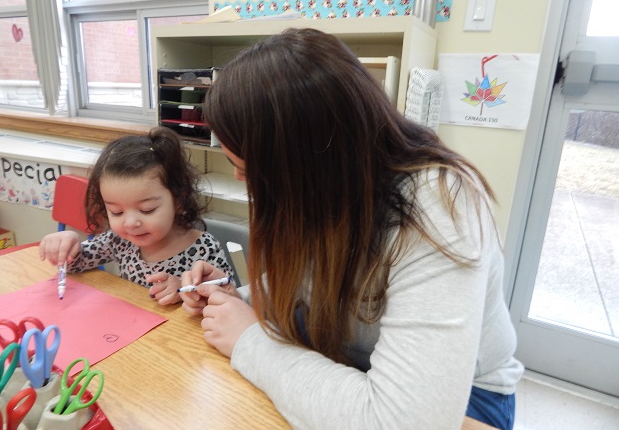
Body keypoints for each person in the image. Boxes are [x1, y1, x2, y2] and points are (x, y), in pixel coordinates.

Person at [180, 28, 524, 429]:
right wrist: (239, 298)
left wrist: (248, 340)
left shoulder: (441, 209)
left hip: (465, 400)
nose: (243, 181)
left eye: (247, 169)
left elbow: (400, 422)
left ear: (305, 163)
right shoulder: (329, 187)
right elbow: (321, 274)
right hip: (347, 355)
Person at [39, 126, 234, 306]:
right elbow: (75, 266)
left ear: (179, 200)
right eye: (117, 212)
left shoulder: (203, 248)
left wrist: (183, 290)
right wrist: (69, 245)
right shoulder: (119, 241)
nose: (130, 223)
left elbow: (227, 296)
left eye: (147, 210)